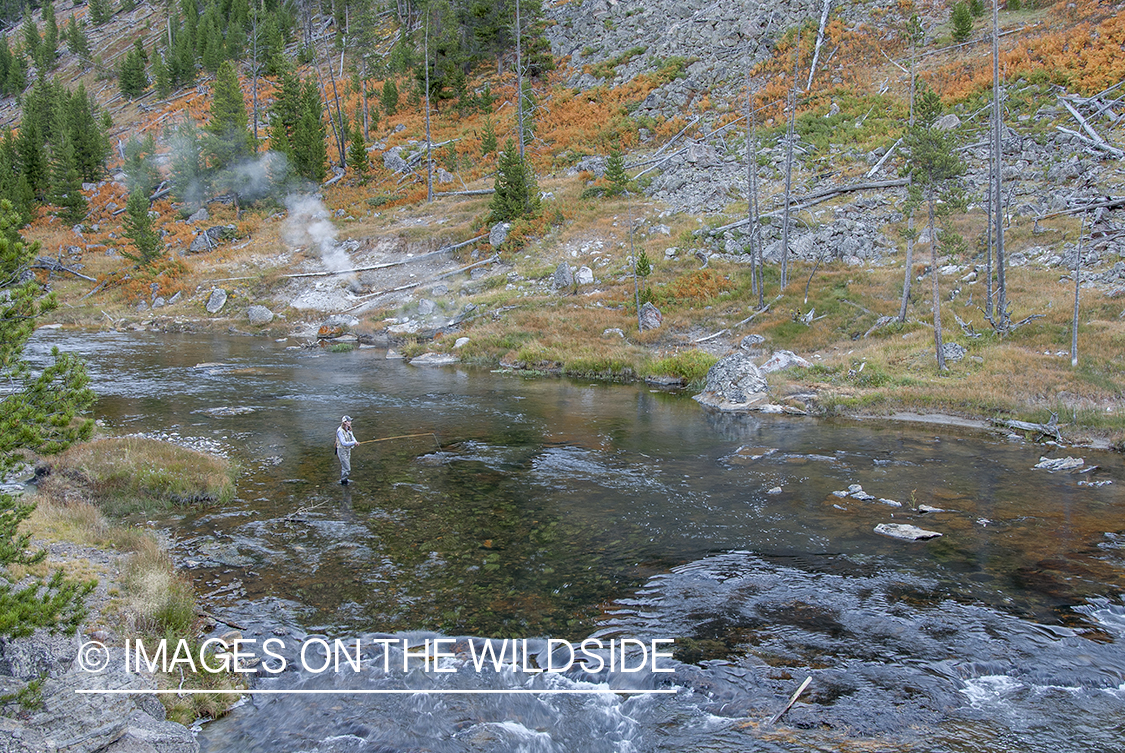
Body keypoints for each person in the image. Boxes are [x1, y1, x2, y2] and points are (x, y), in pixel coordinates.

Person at [336, 415, 359, 485]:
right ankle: (343, 482)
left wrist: (356, 442)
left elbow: (352, 437)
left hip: (348, 450)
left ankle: (345, 480)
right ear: (344, 422)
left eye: (350, 421)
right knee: (347, 468)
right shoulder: (340, 431)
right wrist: (353, 443)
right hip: (342, 450)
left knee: (346, 466)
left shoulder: (348, 429)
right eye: (348, 421)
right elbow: (343, 443)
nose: (350, 422)